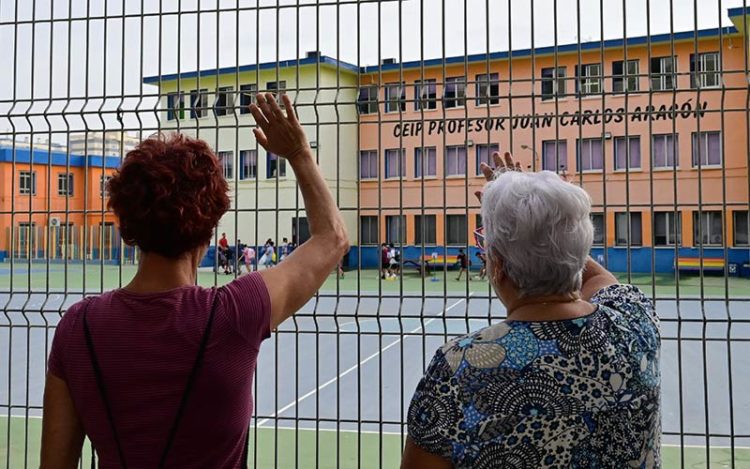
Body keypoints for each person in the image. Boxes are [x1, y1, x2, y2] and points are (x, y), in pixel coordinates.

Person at [41, 93, 349, 468]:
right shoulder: (235, 313)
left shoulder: (77, 327)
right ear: (209, 228)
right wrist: (299, 153)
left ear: (126, 227)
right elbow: (332, 238)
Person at [402, 152, 660, 469]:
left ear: (497, 267)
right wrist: (546, 211)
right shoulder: (635, 324)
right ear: (581, 249)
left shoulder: (459, 367)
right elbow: (599, 278)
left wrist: (518, 211)